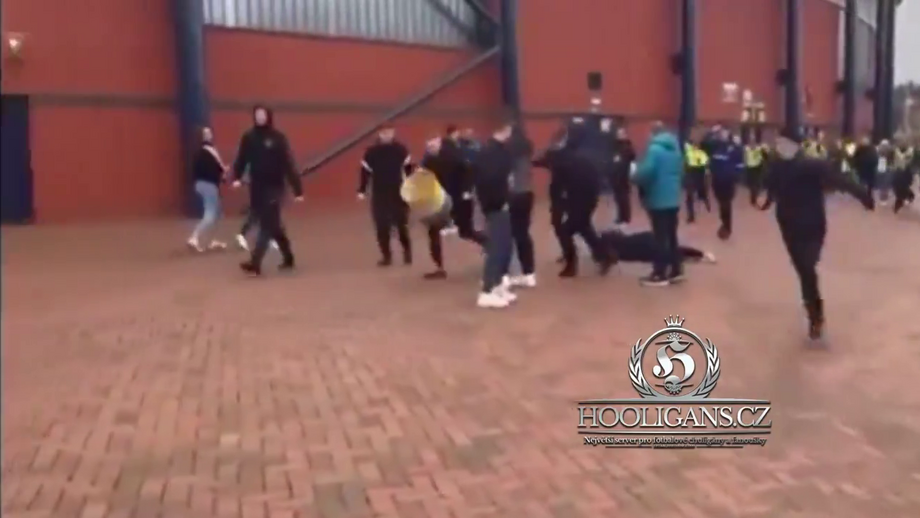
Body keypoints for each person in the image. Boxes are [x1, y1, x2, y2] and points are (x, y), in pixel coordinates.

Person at [760, 127, 874, 341]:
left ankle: (815, 312)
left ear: (795, 145)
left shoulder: (811, 165)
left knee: (807, 265)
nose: (780, 147)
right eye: (778, 143)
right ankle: (814, 312)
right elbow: (771, 186)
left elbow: (838, 179)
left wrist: (862, 195)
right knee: (804, 269)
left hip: (812, 224)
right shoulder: (776, 166)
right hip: (788, 225)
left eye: (784, 143)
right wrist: (765, 201)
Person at [231, 105, 303, 276]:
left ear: (269, 116)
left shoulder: (278, 138)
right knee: (274, 226)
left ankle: (255, 263)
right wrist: (237, 178)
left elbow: (288, 164)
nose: (260, 117)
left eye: (263, 114)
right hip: (257, 187)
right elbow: (242, 159)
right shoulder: (249, 137)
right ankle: (288, 257)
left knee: (266, 224)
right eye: (257, 114)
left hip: (275, 187)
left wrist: (297, 189)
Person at [550, 120, 613, 278]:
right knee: (584, 228)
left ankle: (572, 265)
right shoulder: (582, 154)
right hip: (587, 197)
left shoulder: (567, 156)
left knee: (566, 230)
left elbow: (559, 173)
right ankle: (604, 256)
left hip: (581, 199)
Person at [419, 134, 486, 279]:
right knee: (433, 231)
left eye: (433, 146)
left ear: (440, 144)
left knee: (466, 231)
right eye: (428, 147)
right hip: (441, 202)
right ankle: (439, 268)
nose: (430, 149)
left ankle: (491, 246)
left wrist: (467, 191)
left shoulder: (454, 157)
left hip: (460, 200)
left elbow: (471, 171)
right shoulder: (428, 162)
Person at [632, 122, 685, 286]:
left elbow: (646, 172)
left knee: (660, 237)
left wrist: (634, 176)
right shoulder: (676, 150)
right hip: (673, 199)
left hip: (658, 200)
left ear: (653, 134)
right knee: (671, 235)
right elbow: (681, 173)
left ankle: (659, 273)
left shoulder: (654, 150)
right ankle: (676, 270)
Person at [474, 122, 518, 308]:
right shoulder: (492, 153)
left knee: (505, 245)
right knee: (496, 247)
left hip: (499, 204)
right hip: (496, 206)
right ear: (506, 129)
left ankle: (498, 285)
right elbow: (490, 180)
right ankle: (487, 291)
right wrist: (499, 201)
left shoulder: (498, 151)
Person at [357, 125, 413, 267]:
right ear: (379, 134)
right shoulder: (371, 152)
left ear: (393, 133)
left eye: (390, 132)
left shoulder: (401, 149)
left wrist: (412, 188)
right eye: (384, 133)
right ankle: (386, 256)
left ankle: (407, 251)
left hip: (398, 192)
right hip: (379, 193)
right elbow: (365, 173)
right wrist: (362, 190)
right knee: (381, 226)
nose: (387, 135)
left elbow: (408, 170)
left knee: (401, 225)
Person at [187, 126, 229, 252]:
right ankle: (194, 238)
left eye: (209, 132)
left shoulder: (198, 152)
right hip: (209, 185)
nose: (208, 134)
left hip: (200, 184)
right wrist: (227, 172)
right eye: (206, 133)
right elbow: (221, 168)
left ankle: (212, 240)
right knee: (210, 214)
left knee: (217, 214)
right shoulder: (211, 150)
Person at [505, 127, 537, 288]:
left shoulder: (508, 156)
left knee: (506, 234)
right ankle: (529, 273)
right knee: (523, 234)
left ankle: (504, 273)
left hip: (513, 195)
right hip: (527, 194)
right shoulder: (527, 153)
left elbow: (507, 177)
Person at [600, 227, 716, 265]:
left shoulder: (620, 252)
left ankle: (701, 256)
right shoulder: (620, 242)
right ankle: (702, 254)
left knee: (673, 255)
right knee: (674, 250)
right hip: (645, 239)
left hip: (645, 248)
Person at [708, 128, 744, 240]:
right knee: (721, 203)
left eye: (724, 132)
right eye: (720, 133)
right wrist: (711, 132)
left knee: (726, 203)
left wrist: (735, 177)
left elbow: (740, 164)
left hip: (728, 180)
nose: (722, 135)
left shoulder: (735, 148)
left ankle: (727, 227)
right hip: (717, 180)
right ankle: (724, 223)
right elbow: (703, 144)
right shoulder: (715, 146)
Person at [611, 126, 637, 227]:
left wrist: (621, 160)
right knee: (618, 198)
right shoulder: (615, 146)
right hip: (615, 175)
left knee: (624, 197)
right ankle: (620, 216)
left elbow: (632, 159)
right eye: (618, 133)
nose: (619, 135)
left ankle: (626, 217)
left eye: (621, 133)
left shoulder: (628, 146)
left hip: (624, 175)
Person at [683, 135, 710, 223]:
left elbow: (706, 164)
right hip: (693, 174)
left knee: (702, 193)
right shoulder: (690, 152)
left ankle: (706, 204)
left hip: (698, 174)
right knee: (690, 196)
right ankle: (691, 216)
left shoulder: (701, 154)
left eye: (696, 145)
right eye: (694, 145)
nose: (695, 146)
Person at [892, 137, 916, 213]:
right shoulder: (896, 151)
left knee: (903, 188)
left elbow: (912, 161)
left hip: (906, 172)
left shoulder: (911, 152)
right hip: (898, 171)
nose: (902, 143)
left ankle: (904, 200)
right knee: (898, 188)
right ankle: (905, 199)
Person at [743, 134, 767, 206]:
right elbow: (744, 157)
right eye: (751, 141)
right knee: (752, 185)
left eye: (753, 141)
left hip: (758, 167)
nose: (752, 143)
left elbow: (765, 156)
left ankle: (755, 197)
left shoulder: (759, 148)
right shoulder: (746, 149)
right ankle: (753, 197)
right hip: (749, 168)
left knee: (757, 183)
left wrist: (764, 151)